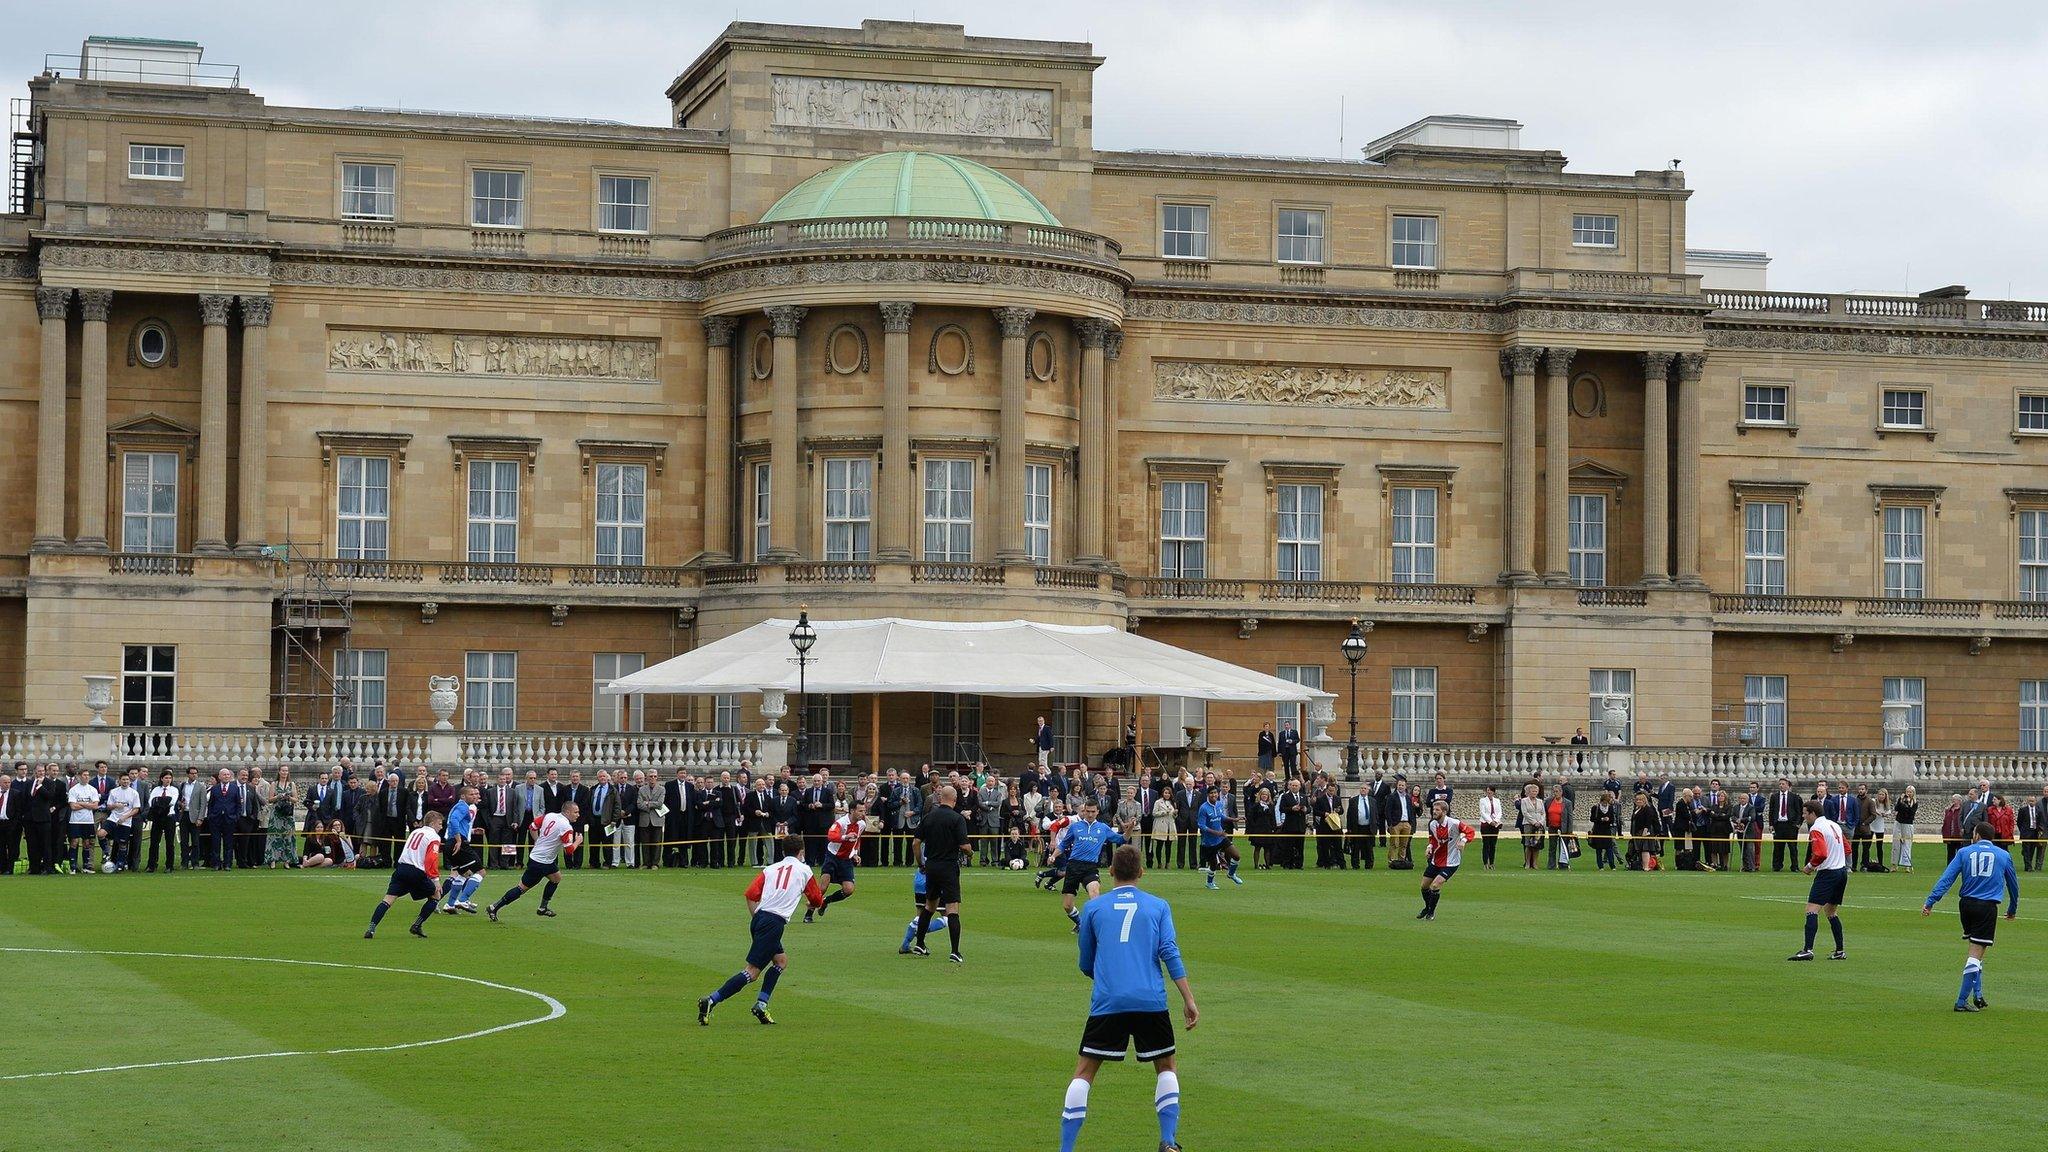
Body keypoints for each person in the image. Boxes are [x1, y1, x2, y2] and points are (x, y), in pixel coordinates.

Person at [1061, 845, 1197, 1152]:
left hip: (1109, 1001)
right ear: (1141, 872)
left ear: (1110, 872)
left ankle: (1066, 1149)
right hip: (1151, 1000)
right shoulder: (1159, 906)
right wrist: (1188, 998)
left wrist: (1110, 977)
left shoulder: (1094, 908)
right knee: (1166, 1066)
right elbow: (1170, 953)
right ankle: (1169, 1141)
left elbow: (1086, 963)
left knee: (1084, 1072)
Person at [697, 834, 824, 1027]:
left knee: (781, 961)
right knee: (752, 972)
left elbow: (750, 894)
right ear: (802, 852)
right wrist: (812, 903)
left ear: (783, 851)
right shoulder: (805, 870)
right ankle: (712, 1000)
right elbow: (817, 899)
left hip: (760, 918)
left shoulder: (771, 868)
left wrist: (757, 918)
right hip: (773, 923)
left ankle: (761, 1004)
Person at [1922, 821, 2020, 1012]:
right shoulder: (2004, 855)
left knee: (1977, 950)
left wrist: (1931, 900)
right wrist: (2013, 908)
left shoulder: (1963, 852)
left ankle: (1978, 994)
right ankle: (1961, 1001)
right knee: (1975, 954)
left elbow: (1947, 878)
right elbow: (2013, 886)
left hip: (1965, 906)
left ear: (1976, 835)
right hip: (1986, 907)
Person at [486, 800, 579, 920]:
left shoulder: (550, 815)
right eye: (576, 812)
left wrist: (537, 841)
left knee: (556, 878)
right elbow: (569, 851)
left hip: (542, 859)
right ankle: (494, 907)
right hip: (541, 862)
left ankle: (543, 908)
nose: (578, 814)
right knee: (522, 888)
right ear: (567, 812)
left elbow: (532, 827)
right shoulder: (566, 827)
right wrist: (578, 841)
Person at [911, 784, 971, 962]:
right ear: (954, 800)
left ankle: (920, 944)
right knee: (952, 908)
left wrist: (921, 862)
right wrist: (970, 852)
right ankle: (954, 951)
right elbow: (964, 846)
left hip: (931, 866)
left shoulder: (929, 817)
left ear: (939, 798)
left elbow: (915, 843)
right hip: (948, 866)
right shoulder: (957, 819)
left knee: (929, 906)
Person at [363, 810, 445, 939]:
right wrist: (435, 880)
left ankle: (371, 929)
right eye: (440, 824)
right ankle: (417, 925)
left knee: (388, 900)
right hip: (416, 871)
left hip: (401, 869)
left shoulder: (415, 832)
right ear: (433, 823)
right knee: (436, 895)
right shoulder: (434, 837)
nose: (441, 827)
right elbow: (431, 859)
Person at [1789, 800, 1849, 962]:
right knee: (1831, 912)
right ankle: (1839, 950)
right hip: (1841, 872)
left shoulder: (1816, 828)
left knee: (1811, 910)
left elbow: (1821, 853)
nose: (1803, 816)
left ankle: (1808, 949)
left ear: (1813, 813)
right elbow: (1847, 848)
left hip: (1828, 873)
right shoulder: (1834, 825)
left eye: (1805, 813)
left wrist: (1809, 866)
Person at [1054, 800, 1126, 932]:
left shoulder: (1103, 828)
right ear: (1084, 811)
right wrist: (1053, 855)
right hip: (1074, 866)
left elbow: (1121, 839)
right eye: (1088, 811)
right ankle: (1080, 923)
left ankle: (1097, 927)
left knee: (1094, 894)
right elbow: (1064, 844)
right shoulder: (1076, 827)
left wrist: (1130, 828)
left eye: (1093, 811)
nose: (1090, 814)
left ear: (1097, 812)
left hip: (1090, 867)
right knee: (1067, 905)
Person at [1417, 799, 1477, 921]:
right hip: (1436, 860)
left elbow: (1471, 831)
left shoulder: (1454, 823)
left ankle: (1431, 913)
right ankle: (1427, 907)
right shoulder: (1432, 824)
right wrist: (1429, 847)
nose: (1434, 812)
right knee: (1424, 886)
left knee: (1435, 884)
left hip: (1451, 862)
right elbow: (1433, 839)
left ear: (1444, 812)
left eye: (1437, 810)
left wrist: (1463, 841)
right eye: (1434, 809)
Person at [807, 799, 864, 923]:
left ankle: (826, 901)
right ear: (853, 810)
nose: (863, 813)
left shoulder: (862, 824)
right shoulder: (841, 822)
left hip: (846, 859)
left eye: (864, 811)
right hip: (832, 857)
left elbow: (857, 840)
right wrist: (845, 837)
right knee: (823, 886)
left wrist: (854, 854)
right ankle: (809, 912)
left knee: (849, 889)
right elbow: (831, 836)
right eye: (860, 811)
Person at [440, 785, 485, 913]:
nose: (474, 796)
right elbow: (454, 821)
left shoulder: (459, 806)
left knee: (463, 874)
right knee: (481, 872)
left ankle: (450, 904)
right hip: (458, 843)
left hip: (450, 842)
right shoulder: (463, 806)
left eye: (475, 794)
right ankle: (463, 900)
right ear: (463, 796)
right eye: (471, 794)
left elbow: (456, 822)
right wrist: (459, 840)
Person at [1196, 785, 1241, 890]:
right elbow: (1201, 826)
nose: (1214, 795)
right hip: (1209, 842)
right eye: (1211, 793)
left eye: (1215, 793)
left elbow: (1221, 816)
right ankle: (1209, 883)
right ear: (1208, 795)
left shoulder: (1219, 804)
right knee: (1213, 865)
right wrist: (1217, 833)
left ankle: (1231, 874)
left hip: (1221, 838)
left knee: (1236, 855)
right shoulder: (1203, 808)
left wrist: (1234, 819)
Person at [102, 772, 141, 872]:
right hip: (113, 818)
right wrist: (115, 805)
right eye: (123, 779)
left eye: (127, 779)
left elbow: (136, 809)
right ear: (119, 780)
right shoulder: (114, 791)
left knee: (122, 844)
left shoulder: (134, 793)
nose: (125, 781)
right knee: (101, 834)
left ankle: (120, 864)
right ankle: (106, 852)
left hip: (126, 821)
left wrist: (125, 817)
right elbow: (109, 806)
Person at [1587, 791, 1619, 870]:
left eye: (1607, 803)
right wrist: (1601, 819)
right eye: (1604, 802)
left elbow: (1612, 819)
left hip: (1607, 830)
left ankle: (1612, 865)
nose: (1606, 804)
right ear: (1601, 801)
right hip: (1598, 830)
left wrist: (1608, 820)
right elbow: (1592, 819)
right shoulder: (1595, 808)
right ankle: (1600, 866)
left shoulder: (1610, 808)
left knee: (1609, 848)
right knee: (1599, 849)